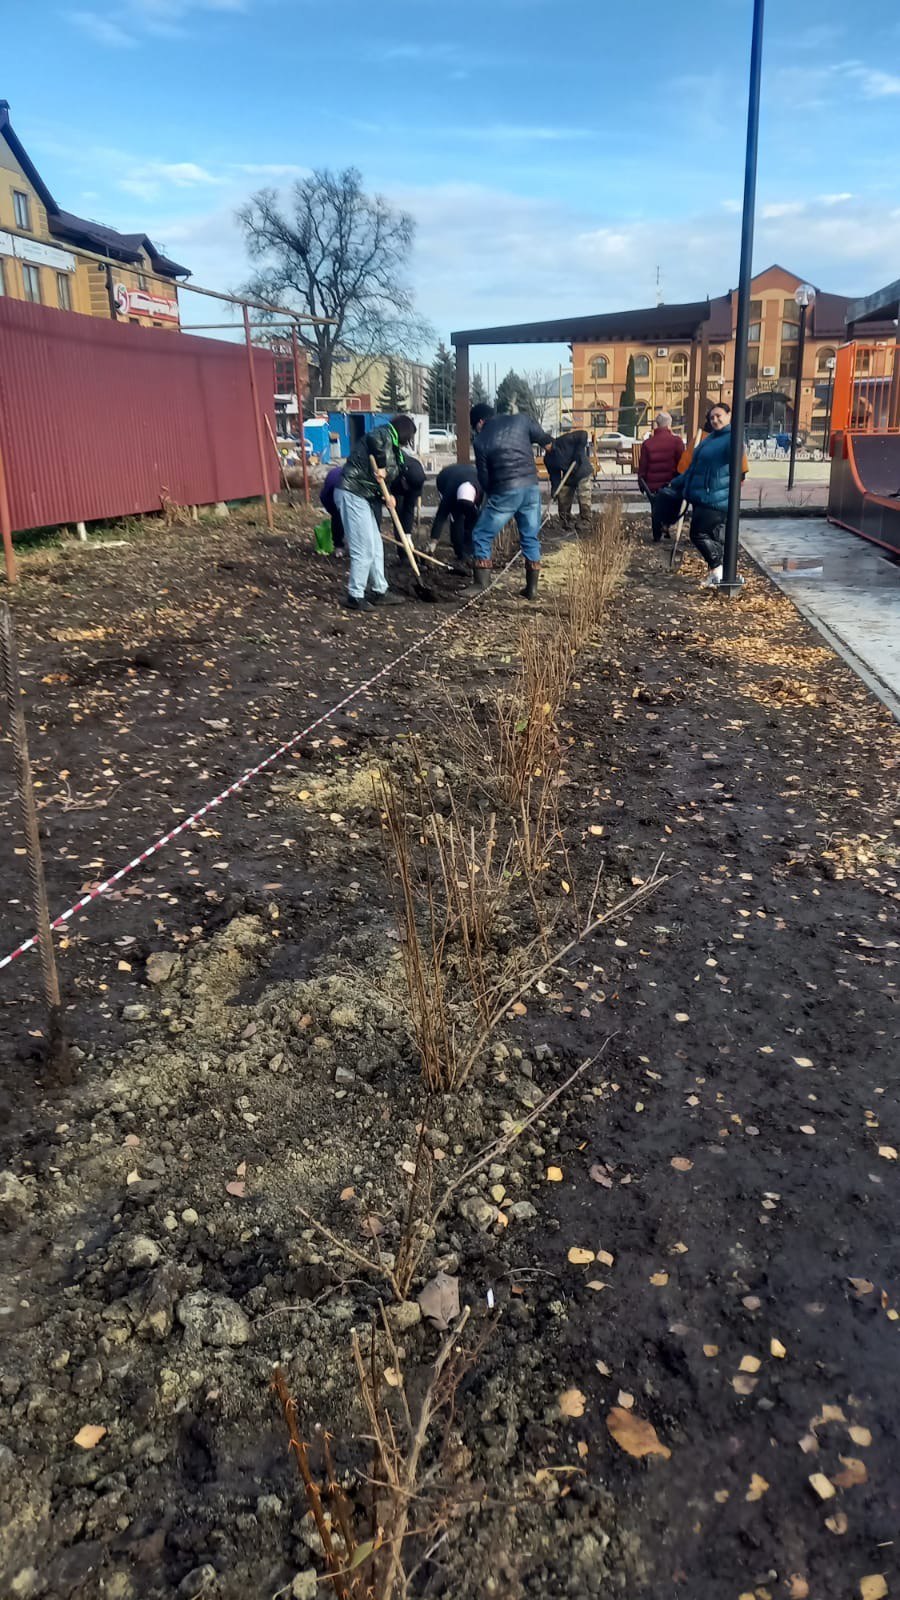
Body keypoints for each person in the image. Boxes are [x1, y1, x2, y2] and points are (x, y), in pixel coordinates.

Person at [470, 402, 553, 599]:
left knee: (481, 534)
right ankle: (532, 589)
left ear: (480, 422)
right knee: (530, 536)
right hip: (531, 488)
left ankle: (481, 584)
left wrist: (491, 497)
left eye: (475, 426)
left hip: (506, 491)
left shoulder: (481, 441)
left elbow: (484, 479)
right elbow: (546, 441)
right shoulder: (521, 420)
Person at [334, 415, 416, 610]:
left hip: (363, 494)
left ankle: (380, 590)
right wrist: (382, 465)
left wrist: (387, 495)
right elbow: (373, 441)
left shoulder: (393, 446)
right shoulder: (383, 433)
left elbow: (378, 477)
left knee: (376, 545)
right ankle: (355, 595)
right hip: (352, 492)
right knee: (363, 548)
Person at [667, 402, 746, 588]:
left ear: (729, 415)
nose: (715, 420)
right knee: (712, 537)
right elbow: (694, 468)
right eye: (712, 418)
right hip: (703, 496)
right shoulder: (710, 438)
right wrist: (676, 483)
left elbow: (737, 458)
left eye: (719, 416)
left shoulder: (731, 438)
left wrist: (737, 440)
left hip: (715, 497)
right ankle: (721, 574)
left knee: (698, 534)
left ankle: (718, 569)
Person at [637, 411, 685, 542]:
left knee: (655, 507)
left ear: (657, 425)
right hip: (671, 484)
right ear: (669, 424)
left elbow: (643, 466)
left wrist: (641, 482)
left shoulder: (648, 443)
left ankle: (657, 533)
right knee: (670, 506)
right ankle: (666, 525)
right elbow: (682, 464)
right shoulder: (677, 442)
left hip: (652, 485)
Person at [429, 462, 481, 566]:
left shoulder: (482, 487)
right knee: (456, 517)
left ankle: (468, 553)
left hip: (468, 475)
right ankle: (459, 551)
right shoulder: (450, 493)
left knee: (472, 520)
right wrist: (433, 542)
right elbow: (441, 516)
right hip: (445, 478)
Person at [544, 429, 592, 530]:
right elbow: (554, 476)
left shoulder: (564, 440)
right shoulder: (548, 459)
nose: (546, 447)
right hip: (569, 474)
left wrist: (578, 453)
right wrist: (555, 489)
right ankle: (565, 520)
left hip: (582, 469)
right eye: (544, 446)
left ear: (551, 442)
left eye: (547, 444)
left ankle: (585, 520)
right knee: (563, 494)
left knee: (584, 494)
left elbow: (583, 434)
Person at [319, 463, 345, 552]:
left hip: (331, 493)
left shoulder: (339, 472)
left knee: (338, 517)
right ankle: (338, 545)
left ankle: (339, 545)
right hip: (330, 496)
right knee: (338, 517)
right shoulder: (341, 477)